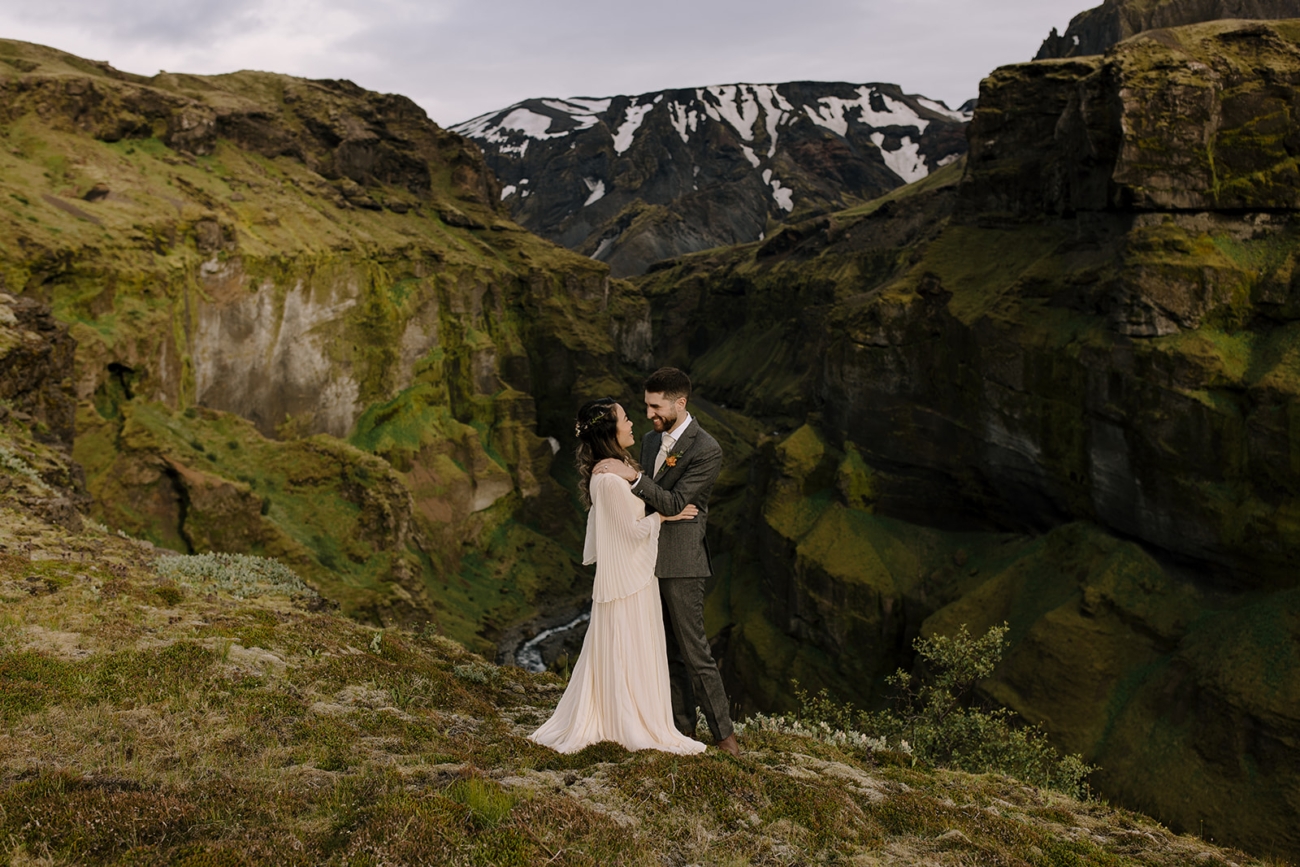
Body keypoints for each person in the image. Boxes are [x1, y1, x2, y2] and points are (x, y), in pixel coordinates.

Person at [529, 398, 706, 755]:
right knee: (628, 649)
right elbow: (629, 533)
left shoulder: (612, 472)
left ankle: (632, 714)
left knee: (629, 649)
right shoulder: (609, 480)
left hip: (631, 580)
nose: (631, 424)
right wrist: (664, 518)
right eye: (625, 419)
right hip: (629, 584)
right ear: (610, 430)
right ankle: (625, 721)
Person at [593, 368, 740, 757]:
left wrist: (630, 476)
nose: (649, 414)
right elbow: (647, 504)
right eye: (645, 406)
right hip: (644, 558)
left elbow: (676, 503)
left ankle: (725, 737)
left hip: (681, 561)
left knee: (694, 652)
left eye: (656, 407)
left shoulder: (706, 449)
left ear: (680, 403)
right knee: (664, 650)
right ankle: (678, 730)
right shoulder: (647, 441)